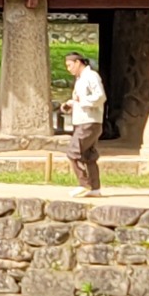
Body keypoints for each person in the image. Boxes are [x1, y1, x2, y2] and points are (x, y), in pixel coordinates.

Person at [63, 50, 107, 195]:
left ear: (78, 62)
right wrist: (71, 104)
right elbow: (79, 100)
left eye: (70, 65)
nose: (68, 69)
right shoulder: (80, 79)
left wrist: (82, 101)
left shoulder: (91, 76)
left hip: (89, 122)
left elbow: (100, 96)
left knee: (73, 152)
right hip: (84, 120)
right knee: (88, 155)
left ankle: (84, 183)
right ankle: (95, 188)